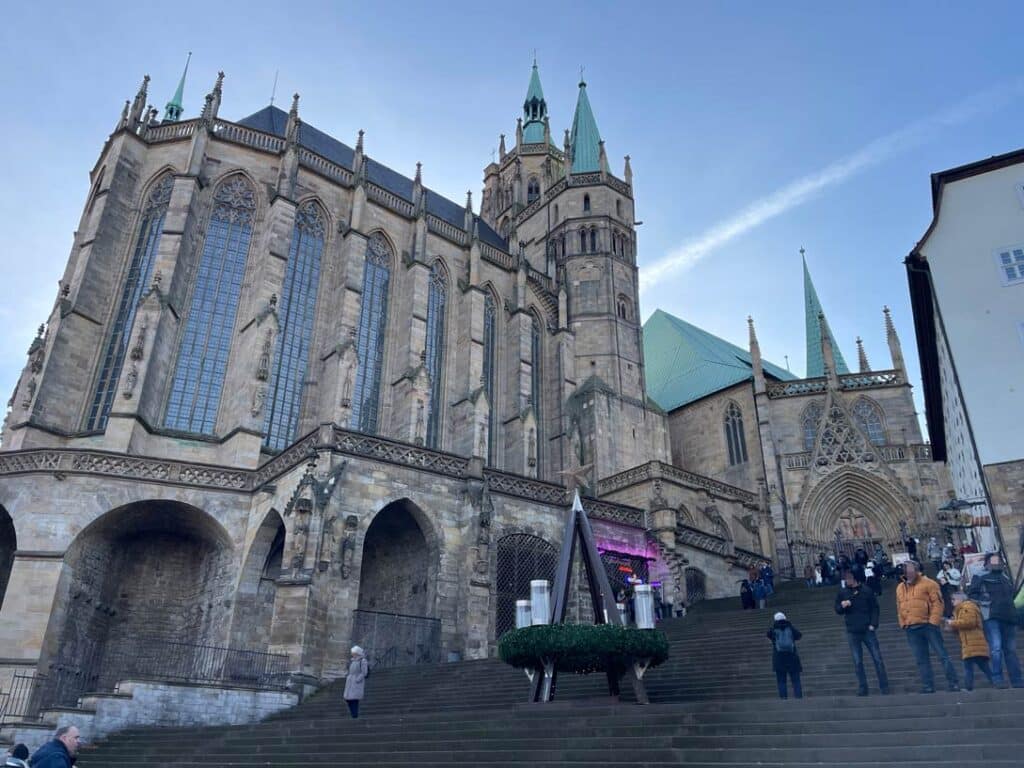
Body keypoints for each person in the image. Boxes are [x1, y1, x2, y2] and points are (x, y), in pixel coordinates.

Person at [896, 560, 959, 693]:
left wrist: (933, 621)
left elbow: (938, 603)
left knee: (942, 655)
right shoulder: (900, 588)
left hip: (928, 625)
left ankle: (953, 683)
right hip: (911, 627)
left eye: (910, 569)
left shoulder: (929, 583)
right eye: (906, 570)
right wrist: (903, 623)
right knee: (921, 659)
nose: (908, 572)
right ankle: (928, 686)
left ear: (917, 570)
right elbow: (899, 606)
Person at [967, 553, 1023, 688]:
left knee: (1010, 650)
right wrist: (987, 602)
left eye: (998, 561)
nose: (996, 563)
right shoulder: (980, 576)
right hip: (991, 616)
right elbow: (972, 594)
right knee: (996, 648)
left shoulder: (1005, 577)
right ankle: (998, 679)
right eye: (993, 561)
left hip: (1008, 616)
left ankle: (1017, 680)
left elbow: (1012, 595)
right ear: (986, 563)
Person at [836, 569, 890, 696]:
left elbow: (875, 608)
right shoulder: (843, 592)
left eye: (849, 578)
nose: (847, 580)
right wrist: (841, 606)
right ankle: (862, 687)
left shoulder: (866, 590)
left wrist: (873, 624)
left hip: (867, 629)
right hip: (852, 631)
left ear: (855, 578)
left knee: (877, 659)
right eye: (846, 578)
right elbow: (837, 609)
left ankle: (884, 686)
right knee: (857, 661)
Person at [945, 591, 995, 691]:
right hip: (970, 644)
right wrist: (952, 625)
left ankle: (969, 687)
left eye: (954, 599)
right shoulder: (962, 609)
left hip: (973, 643)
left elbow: (969, 622)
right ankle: (995, 682)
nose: (952, 602)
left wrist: (953, 623)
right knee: (982, 666)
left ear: (960, 599)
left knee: (969, 667)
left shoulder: (967, 607)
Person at [767, 611, 803, 699]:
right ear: (785, 618)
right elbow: (799, 635)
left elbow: (768, 635)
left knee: (781, 681)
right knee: (796, 680)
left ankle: (783, 699)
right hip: (792, 657)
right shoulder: (790, 628)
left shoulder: (773, 629)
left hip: (779, 658)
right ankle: (798, 698)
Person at [343, 645, 369, 718]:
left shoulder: (362, 660)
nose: (352, 654)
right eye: (352, 653)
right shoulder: (352, 661)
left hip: (356, 682)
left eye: (354, 653)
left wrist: (357, 679)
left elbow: (364, 672)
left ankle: (354, 715)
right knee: (348, 699)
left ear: (357, 653)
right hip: (350, 682)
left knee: (354, 700)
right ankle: (353, 714)